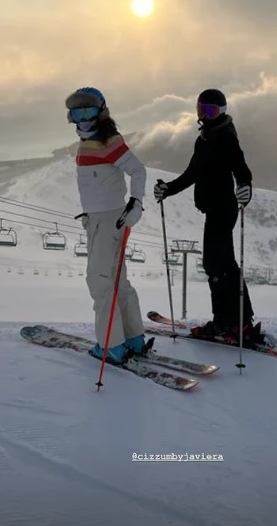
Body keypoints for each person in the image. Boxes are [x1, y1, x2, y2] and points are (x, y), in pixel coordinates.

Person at [153, 88, 262, 345]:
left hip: (223, 210)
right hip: (215, 210)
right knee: (225, 265)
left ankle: (225, 323)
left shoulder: (225, 137)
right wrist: (168, 189)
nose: (205, 115)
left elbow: (241, 168)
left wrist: (245, 186)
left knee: (216, 267)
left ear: (221, 112)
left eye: (210, 111)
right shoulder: (203, 139)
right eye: (201, 109)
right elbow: (192, 173)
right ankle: (239, 321)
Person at [65, 86, 149, 364]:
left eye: (89, 111)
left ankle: (111, 347)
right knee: (117, 282)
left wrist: (136, 203)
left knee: (100, 284)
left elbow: (137, 170)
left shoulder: (108, 141)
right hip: (104, 220)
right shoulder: (90, 141)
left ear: (101, 111)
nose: (83, 118)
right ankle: (133, 338)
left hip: (107, 222)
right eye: (78, 112)